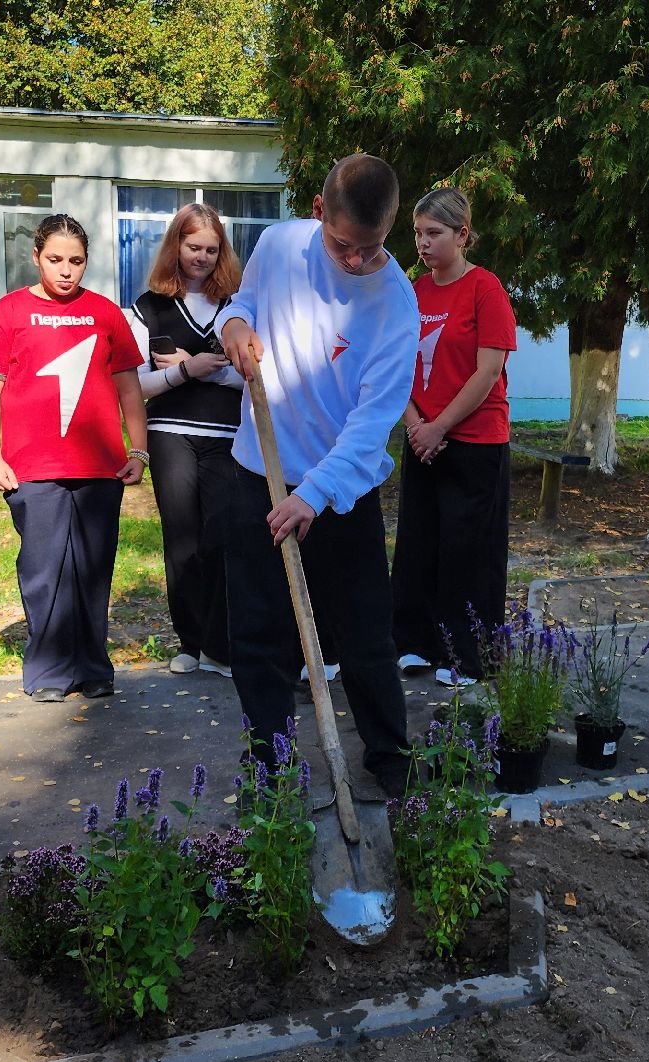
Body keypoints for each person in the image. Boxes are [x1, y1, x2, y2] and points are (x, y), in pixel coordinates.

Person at [218, 154, 418, 797]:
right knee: (258, 635)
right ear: (315, 212)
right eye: (343, 245)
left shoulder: (395, 304)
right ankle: (271, 772)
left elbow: (370, 426)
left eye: (373, 247)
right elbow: (241, 303)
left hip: (338, 495)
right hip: (259, 475)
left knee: (364, 636)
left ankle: (389, 762)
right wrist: (237, 327)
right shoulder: (277, 246)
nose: (357, 262)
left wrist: (315, 495)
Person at [0, 214, 148, 704]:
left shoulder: (106, 313)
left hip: (100, 467)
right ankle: (48, 668)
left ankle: (93, 667)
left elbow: (129, 385)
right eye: (55, 260)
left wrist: (138, 449)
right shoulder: (8, 313)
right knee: (43, 568)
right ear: (35, 257)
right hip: (32, 468)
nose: (66, 270)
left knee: (93, 569)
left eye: (76, 261)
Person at [391, 187, 518, 687]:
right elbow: (396, 366)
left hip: (475, 439)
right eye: (418, 233)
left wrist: (440, 426)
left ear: (462, 235)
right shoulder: (413, 291)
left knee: (469, 549)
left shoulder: (484, 288)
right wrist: (415, 424)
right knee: (420, 541)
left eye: (434, 233)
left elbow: (489, 371)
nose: (423, 243)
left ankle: (468, 655)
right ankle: (416, 644)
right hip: (422, 434)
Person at [128, 203, 244, 680]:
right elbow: (134, 386)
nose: (202, 257)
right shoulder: (146, 308)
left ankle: (220, 646)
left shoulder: (237, 307)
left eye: (212, 250)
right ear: (175, 246)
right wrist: (185, 371)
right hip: (169, 433)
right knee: (182, 541)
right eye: (193, 247)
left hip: (226, 437)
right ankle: (190, 643)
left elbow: (252, 378)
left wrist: (200, 371)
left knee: (223, 537)